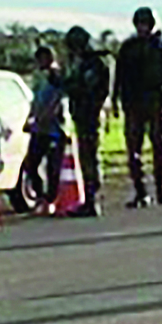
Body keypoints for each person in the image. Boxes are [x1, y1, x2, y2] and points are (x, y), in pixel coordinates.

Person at [113, 6, 162, 208]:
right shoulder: (128, 48)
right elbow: (119, 77)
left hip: (156, 100)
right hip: (133, 103)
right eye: (140, 23)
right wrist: (116, 101)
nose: (143, 27)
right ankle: (140, 190)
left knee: (159, 145)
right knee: (133, 148)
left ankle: (161, 186)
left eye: (146, 23)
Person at [60, 26, 111, 217]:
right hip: (83, 114)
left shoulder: (94, 64)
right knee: (85, 155)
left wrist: (69, 85)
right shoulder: (83, 63)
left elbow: (86, 88)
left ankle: (92, 198)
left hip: (91, 113)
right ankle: (89, 198)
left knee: (90, 155)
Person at [19, 43, 68, 213]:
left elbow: (57, 99)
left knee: (53, 167)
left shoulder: (56, 75)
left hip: (55, 128)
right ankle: (40, 196)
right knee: (31, 164)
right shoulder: (40, 77)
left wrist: (45, 115)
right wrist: (30, 118)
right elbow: (36, 100)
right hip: (39, 128)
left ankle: (51, 199)